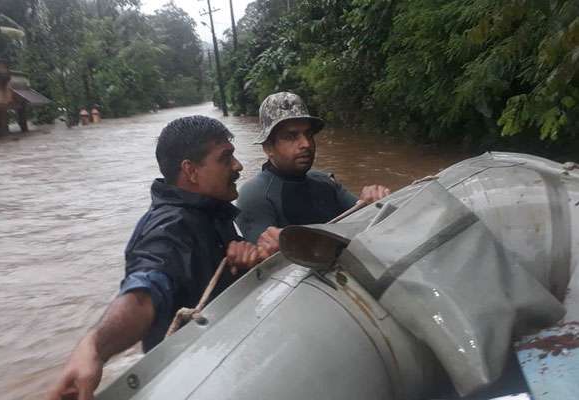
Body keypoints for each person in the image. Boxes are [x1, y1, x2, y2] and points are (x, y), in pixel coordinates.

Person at [47, 116, 264, 400]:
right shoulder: (169, 230)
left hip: (222, 361)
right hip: (192, 381)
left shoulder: (209, 211)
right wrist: (95, 348)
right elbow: (143, 294)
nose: (238, 166)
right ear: (191, 171)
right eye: (226, 158)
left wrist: (247, 261)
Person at [236, 92, 390, 253]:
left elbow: (367, 220)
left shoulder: (325, 181)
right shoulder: (254, 196)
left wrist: (373, 202)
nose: (306, 144)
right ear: (268, 147)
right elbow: (263, 267)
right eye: (291, 136)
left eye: (308, 134)